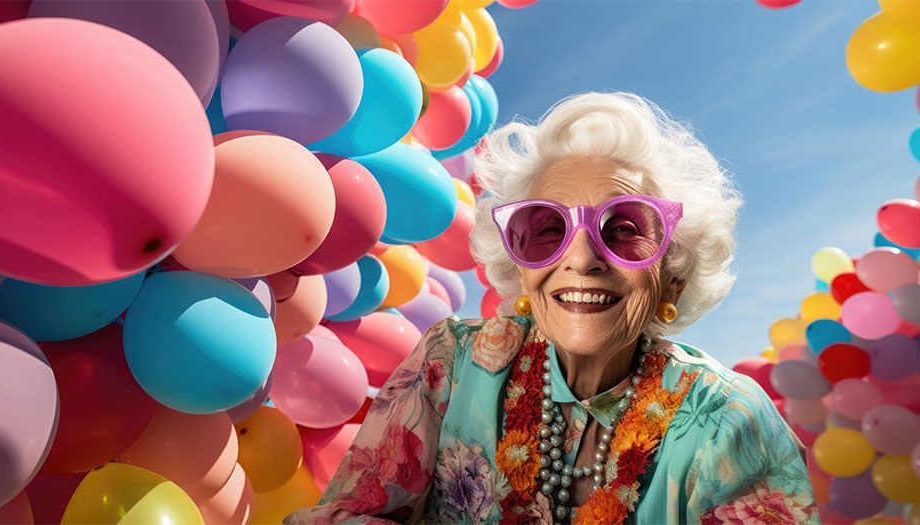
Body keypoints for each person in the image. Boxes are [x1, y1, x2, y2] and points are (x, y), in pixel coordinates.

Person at [286, 92, 817, 524]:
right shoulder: (450, 363)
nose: (581, 259)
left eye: (625, 229)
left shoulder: (728, 421)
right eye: (547, 230)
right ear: (521, 271)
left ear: (672, 279)